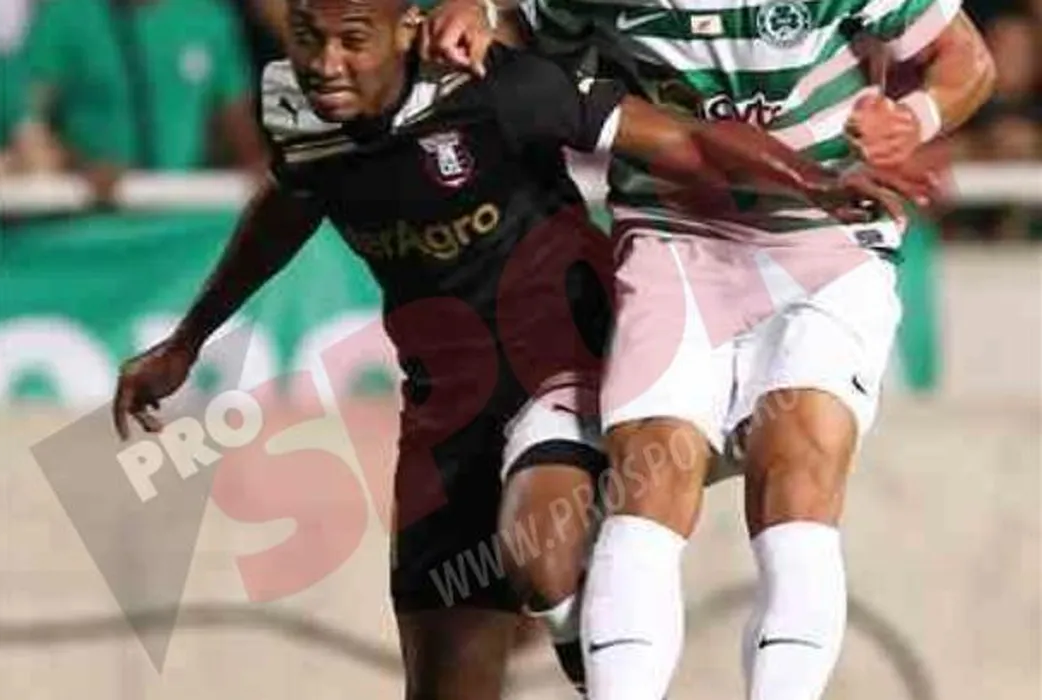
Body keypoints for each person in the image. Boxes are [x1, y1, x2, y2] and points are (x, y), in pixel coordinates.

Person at [111, 1, 900, 698]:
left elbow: (686, 142)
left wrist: (812, 185)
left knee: (541, 556)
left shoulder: (493, 85)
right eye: (307, 37)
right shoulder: (298, 109)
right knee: (448, 679)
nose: (326, 62)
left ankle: (609, 630)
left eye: (352, 39)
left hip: (556, 366)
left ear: (406, 29)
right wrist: (189, 338)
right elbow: (289, 203)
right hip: (443, 412)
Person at [422, 1, 995, 698]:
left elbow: (966, 59)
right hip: (674, 234)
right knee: (649, 476)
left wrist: (915, 118)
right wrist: (479, 13)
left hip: (828, 235)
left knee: (798, 463)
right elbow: (527, 41)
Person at [21, 0, 266, 199]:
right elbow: (29, 122)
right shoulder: (65, 16)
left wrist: (258, 165)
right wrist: (80, 166)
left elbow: (234, 117)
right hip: (94, 217)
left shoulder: (208, 17)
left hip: (185, 218)